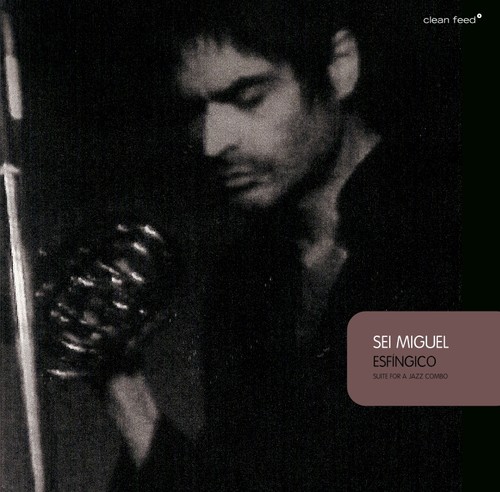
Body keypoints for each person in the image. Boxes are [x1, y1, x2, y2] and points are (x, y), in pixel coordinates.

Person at [44, 1, 461, 489]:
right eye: (196, 111)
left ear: (340, 67)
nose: (213, 142)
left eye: (248, 98)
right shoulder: (244, 278)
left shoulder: (448, 226)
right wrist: (122, 387)